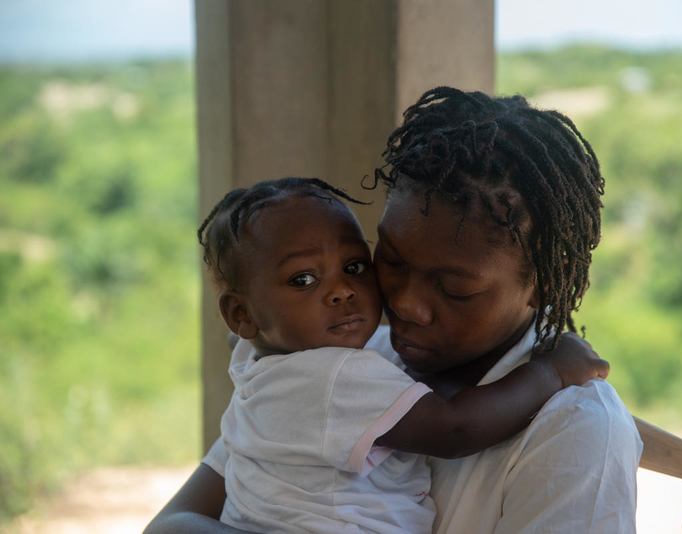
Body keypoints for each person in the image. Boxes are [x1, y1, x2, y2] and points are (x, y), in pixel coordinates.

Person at [145, 87, 643, 534]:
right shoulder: (348, 359)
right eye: (393, 260)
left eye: (453, 288)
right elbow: (172, 526)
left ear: (543, 284)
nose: (404, 304)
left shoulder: (575, 432)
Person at [197, 177, 608, 534]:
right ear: (241, 315)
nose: (342, 290)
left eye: (356, 267)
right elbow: (455, 429)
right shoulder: (334, 373)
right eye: (303, 279)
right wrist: (551, 373)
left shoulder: (264, 363)